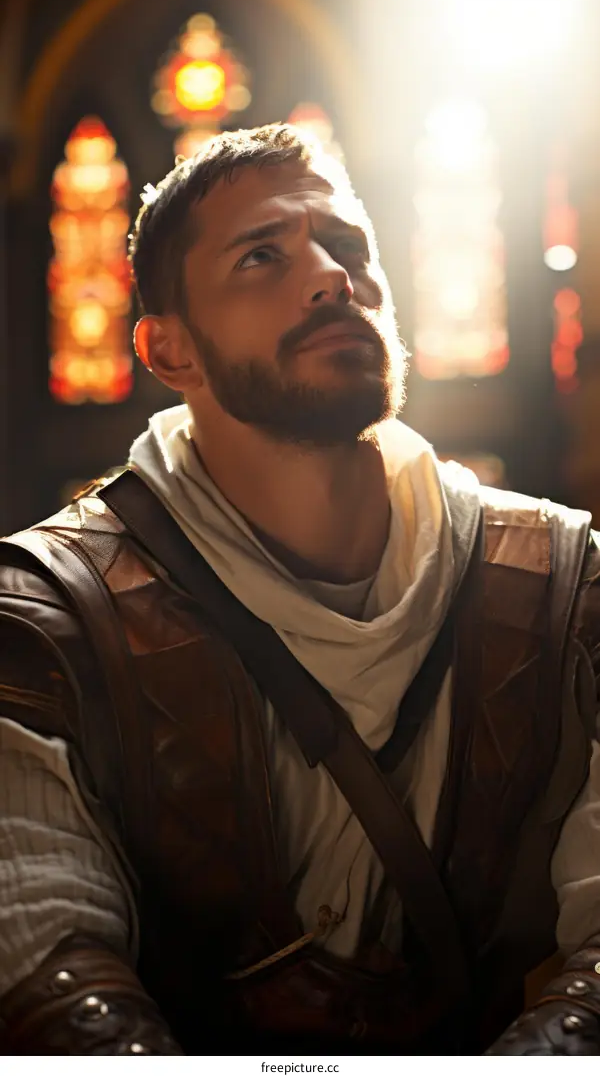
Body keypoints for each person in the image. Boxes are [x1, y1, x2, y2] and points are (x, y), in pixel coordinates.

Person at [0, 123, 599, 1057]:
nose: (331, 276)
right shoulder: (52, 616)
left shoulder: (565, 584)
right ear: (169, 351)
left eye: (348, 246)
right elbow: (41, 962)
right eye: (261, 256)